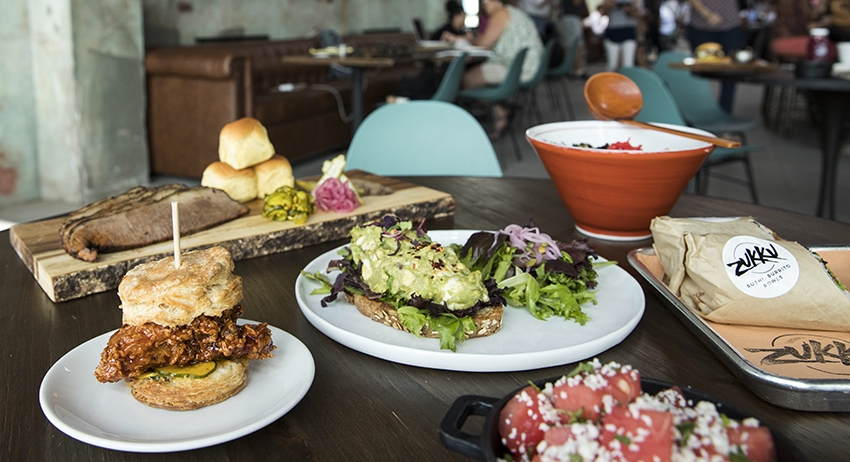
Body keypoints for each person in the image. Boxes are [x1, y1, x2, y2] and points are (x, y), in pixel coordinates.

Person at [442, 0, 543, 139]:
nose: (484, 5)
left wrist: (469, 37)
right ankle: (500, 110)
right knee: (476, 74)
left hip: (515, 69)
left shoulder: (500, 14)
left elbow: (484, 43)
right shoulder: (514, 12)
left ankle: (498, 111)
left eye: (486, 1)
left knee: (466, 79)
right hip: (529, 66)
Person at [686, 0, 743, 112]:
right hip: (701, 25)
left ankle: (725, 114)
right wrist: (707, 14)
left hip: (731, 23)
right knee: (700, 72)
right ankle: (696, 113)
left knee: (730, 72)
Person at [600, 0, 640, 71]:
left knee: (628, 65)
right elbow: (603, 13)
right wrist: (610, 6)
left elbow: (638, 15)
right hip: (612, 31)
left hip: (628, 30)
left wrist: (629, 9)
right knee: (612, 65)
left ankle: (626, 78)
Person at [559, 0, 590, 77]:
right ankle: (573, 69)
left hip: (573, 18)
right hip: (570, 18)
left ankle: (575, 69)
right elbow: (576, 2)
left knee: (576, 44)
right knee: (573, 45)